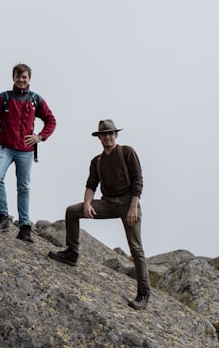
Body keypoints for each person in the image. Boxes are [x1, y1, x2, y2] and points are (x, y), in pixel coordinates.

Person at [47, 119, 152, 310]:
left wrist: (134, 207)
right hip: (107, 203)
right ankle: (72, 253)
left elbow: (138, 180)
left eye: (111, 133)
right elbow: (91, 185)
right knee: (72, 211)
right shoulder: (97, 161)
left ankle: (144, 293)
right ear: (99, 138)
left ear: (116, 135)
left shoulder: (126, 152)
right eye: (104, 134)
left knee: (136, 248)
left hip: (129, 203)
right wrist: (87, 204)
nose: (108, 137)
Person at [0, 63, 57, 243]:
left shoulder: (35, 100)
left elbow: (51, 120)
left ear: (29, 79)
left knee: (23, 187)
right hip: (4, 147)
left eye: (24, 77)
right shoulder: (4, 97)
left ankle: (24, 226)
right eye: (18, 76)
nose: (21, 80)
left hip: (26, 150)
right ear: (13, 78)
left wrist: (40, 137)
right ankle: (3, 217)